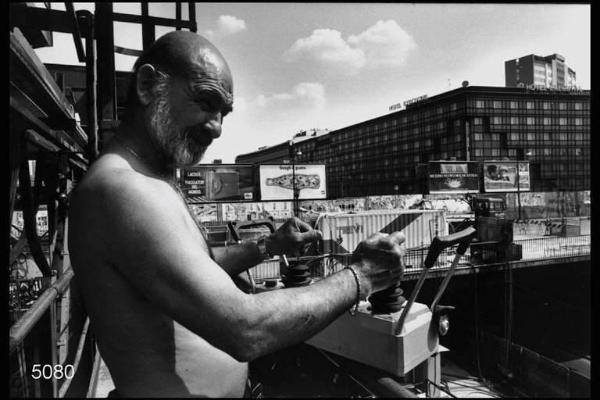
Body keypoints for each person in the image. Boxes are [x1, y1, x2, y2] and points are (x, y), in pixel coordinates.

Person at [68, 31, 405, 398]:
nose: (216, 128)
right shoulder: (123, 190)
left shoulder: (150, 181)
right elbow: (245, 328)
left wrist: (269, 245)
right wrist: (361, 277)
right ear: (148, 85)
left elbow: (195, 270)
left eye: (223, 113)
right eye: (206, 101)